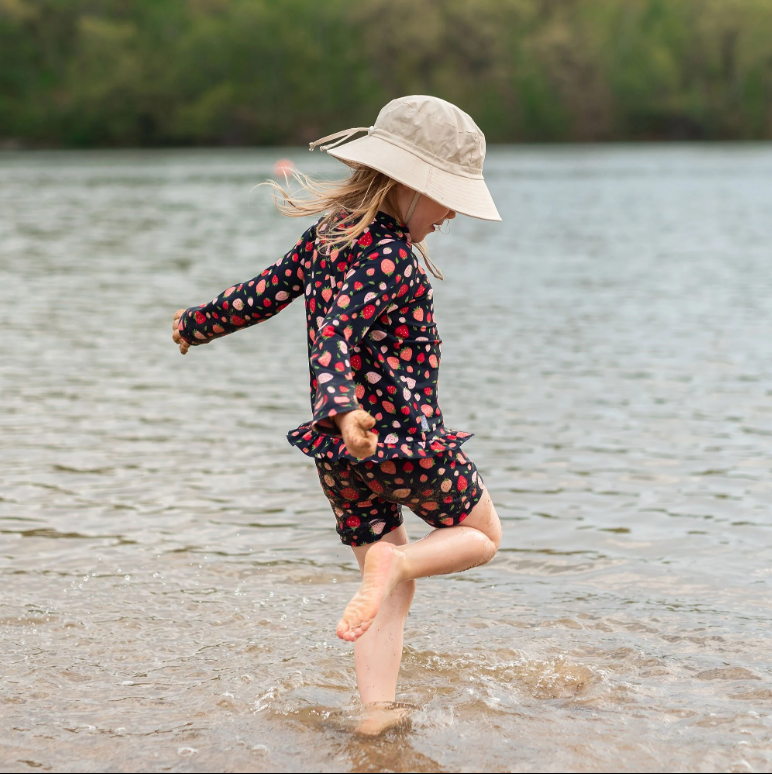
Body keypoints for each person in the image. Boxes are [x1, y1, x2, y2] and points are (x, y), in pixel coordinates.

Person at [172, 95, 503, 734]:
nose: (453, 212)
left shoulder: (329, 234)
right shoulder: (390, 257)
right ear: (409, 186)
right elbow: (337, 334)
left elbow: (262, 293)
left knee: (386, 590)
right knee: (483, 536)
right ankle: (399, 563)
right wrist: (346, 407)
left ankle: (376, 715)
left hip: (340, 459)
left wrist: (197, 323)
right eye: (447, 197)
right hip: (401, 442)